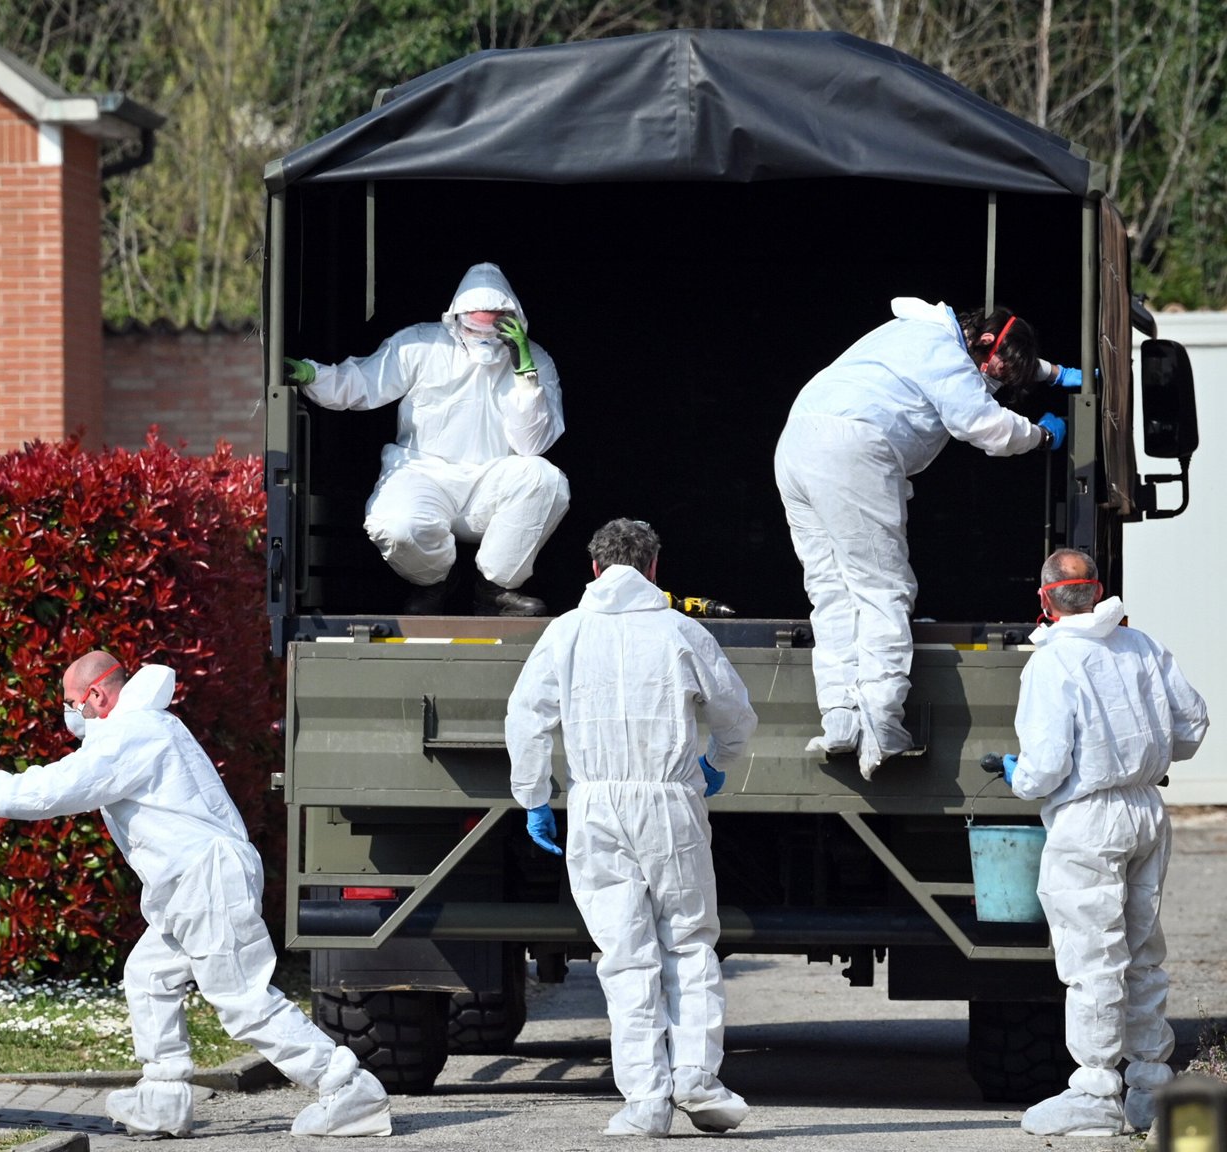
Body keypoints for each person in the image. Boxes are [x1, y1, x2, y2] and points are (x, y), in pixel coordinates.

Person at [0, 651, 392, 1139]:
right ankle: (163, 1097)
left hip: (205, 880)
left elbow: (61, 787)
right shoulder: (145, 727)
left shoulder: (134, 731)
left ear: (96, 694)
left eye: (72, 702)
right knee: (148, 975)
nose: (71, 713)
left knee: (241, 997)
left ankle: (347, 1089)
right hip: (192, 884)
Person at [503, 518, 759, 1137]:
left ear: (594, 568)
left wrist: (534, 797)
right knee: (688, 941)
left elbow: (526, 717)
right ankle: (696, 1076)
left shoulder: (565, 632)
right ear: (653, 568)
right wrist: (716, 761)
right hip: (670, 801)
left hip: (594, 805)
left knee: (624, 952)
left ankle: (645, 1101)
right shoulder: (681, 630)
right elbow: (735, 714)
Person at [776, 299, 1081, 777]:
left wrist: (1053, 373)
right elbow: (984, 425)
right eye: (996, 372)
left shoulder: (916, 332)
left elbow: (999, 356)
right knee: (882, 589)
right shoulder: (943, 351)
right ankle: (881, 726)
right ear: (982, 343)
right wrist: (1040, 436)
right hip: (851, 447)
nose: (994, 382)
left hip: (796, 445)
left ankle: (841, 721)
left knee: (831, 590)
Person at [1000, 549, 1208, 1137]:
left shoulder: (1052, 662)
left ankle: (1094, 1093)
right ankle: (1151, 1089)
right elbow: (1191, 726)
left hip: (1088, 817)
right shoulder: (1141, 645)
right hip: (1147, 809)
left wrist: (1017, 776)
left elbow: (1044, 767)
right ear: (1097, 591)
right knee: (1141, 951)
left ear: (1045, 599)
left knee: (1093, 954)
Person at [286, 262, 567, 616]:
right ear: (455, 319)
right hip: (423, 474)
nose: (482, 338)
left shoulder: (534, 359)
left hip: (492, 482)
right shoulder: (420, 344)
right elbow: (362, 384)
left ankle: (494, 590)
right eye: (473, 327)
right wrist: (312, 374)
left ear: (512, 322)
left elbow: (532, 445)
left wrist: (524, 371)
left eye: (492, 328)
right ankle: (435, 582)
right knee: (395, 525)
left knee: (545, 479)